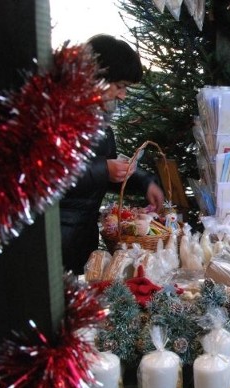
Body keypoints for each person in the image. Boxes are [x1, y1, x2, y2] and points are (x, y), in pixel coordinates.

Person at [60, 34, 165, 275]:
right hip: (56, 239)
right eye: (120, 86)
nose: (123, 95)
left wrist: (143, 181)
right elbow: (51, 176)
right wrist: (104, 169)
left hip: (81, 238)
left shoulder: (100, 121)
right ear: (95, 78)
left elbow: (105, 174)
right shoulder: (62, 115)